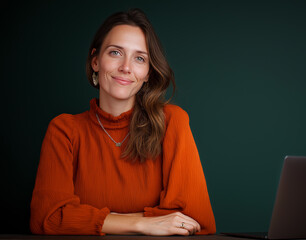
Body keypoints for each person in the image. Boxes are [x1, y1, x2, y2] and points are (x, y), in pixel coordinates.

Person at [30, 8, 216, 236]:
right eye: (116, 53)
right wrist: (140, 224)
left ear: (148, 72)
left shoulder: (172, 122)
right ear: (96, 60)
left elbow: (196, 219)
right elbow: (46, 218)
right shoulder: (64, 130)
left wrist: (93, 219)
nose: (126, 67)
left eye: (139, 58)